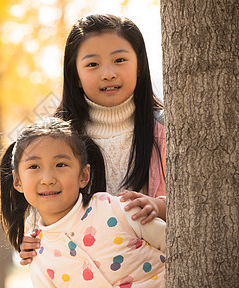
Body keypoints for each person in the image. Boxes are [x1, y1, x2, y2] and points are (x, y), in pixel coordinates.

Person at [20, 13, 166, 265]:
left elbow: (199, 200)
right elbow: (42, 200)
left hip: (153, 272)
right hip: (83, 276)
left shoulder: (165, 130)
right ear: (74, 74)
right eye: (92, 64)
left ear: (140, 65)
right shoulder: (57, 139)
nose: (108, 73)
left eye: (120, 60)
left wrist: (160, 206)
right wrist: (32, 236)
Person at [0, 117, 166, 288]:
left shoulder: (118, 210)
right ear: (17, 181)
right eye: (34, 166)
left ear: (84, 175)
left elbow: (181, 247)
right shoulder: (38, 258)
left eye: (60, 165)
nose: (48, 178)